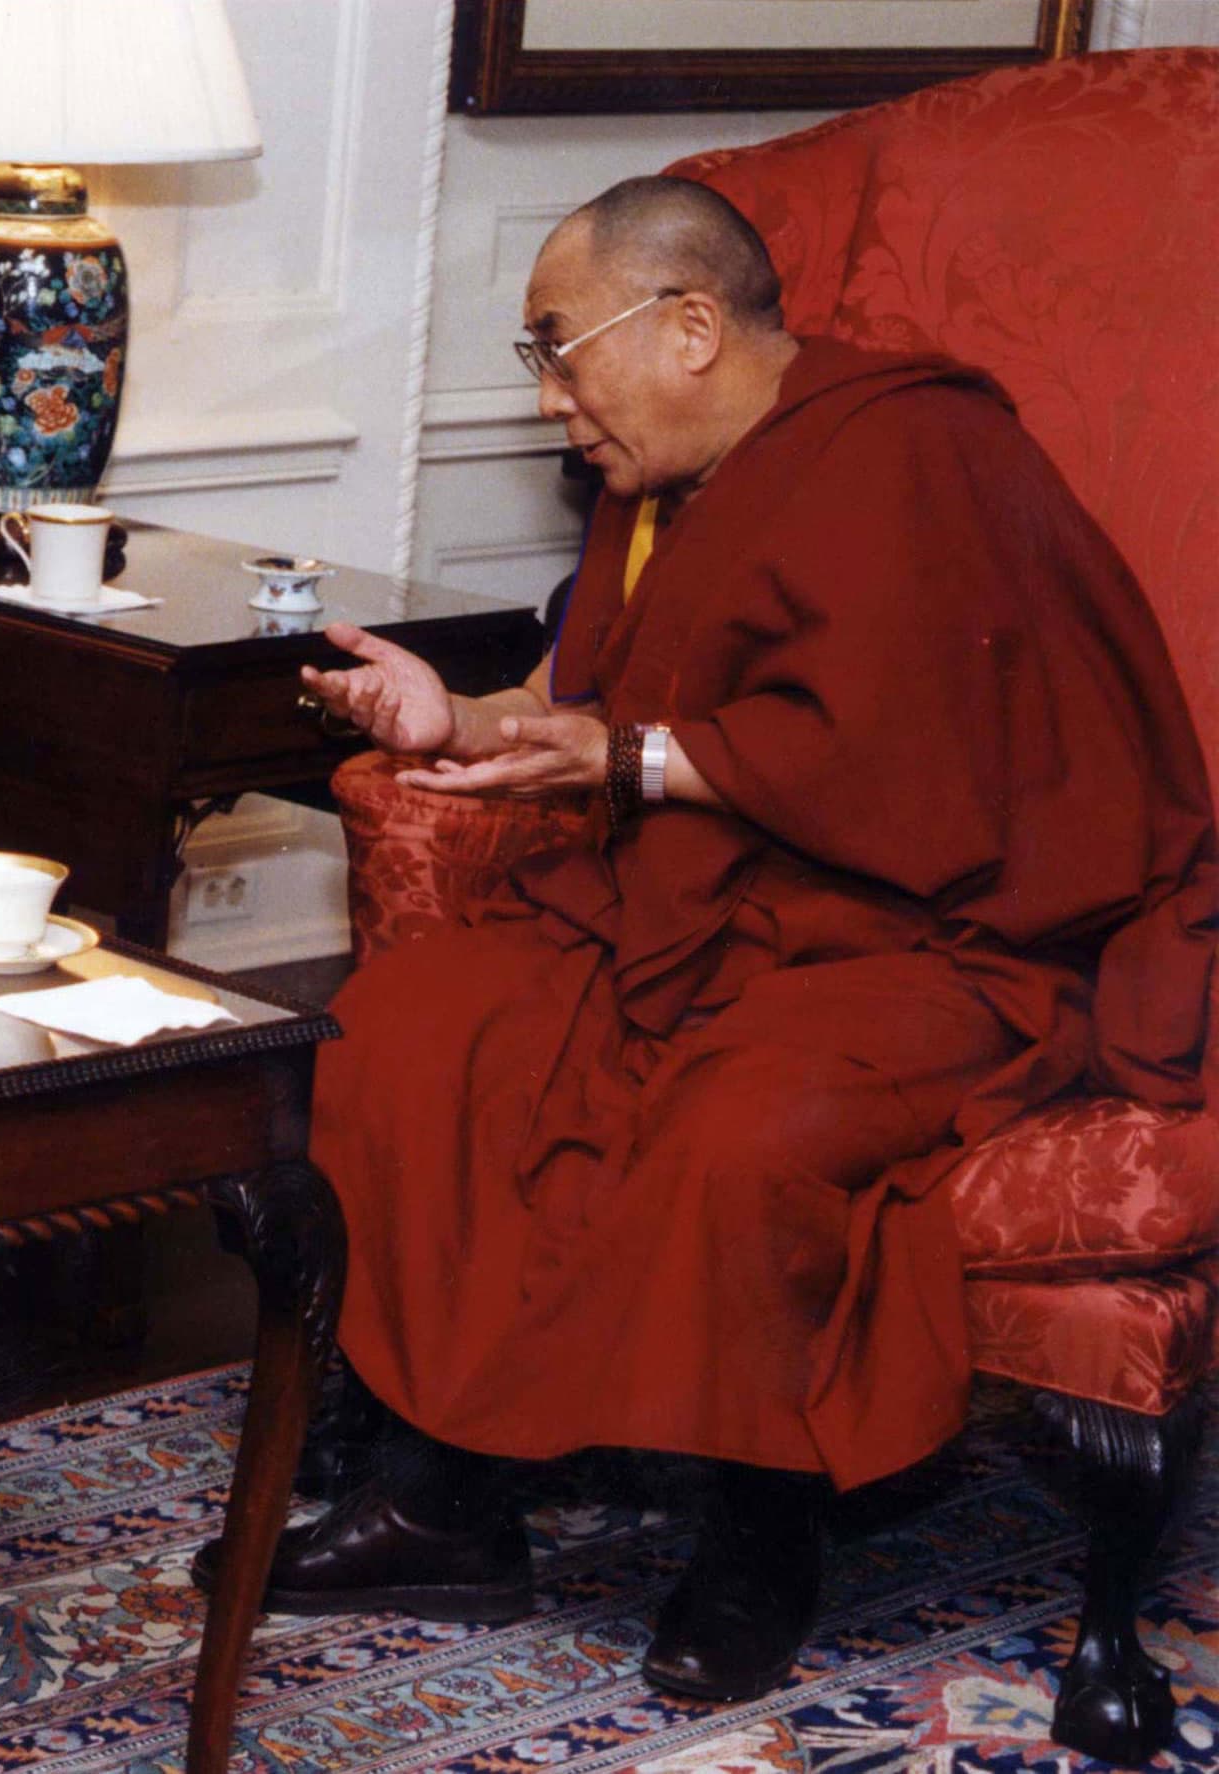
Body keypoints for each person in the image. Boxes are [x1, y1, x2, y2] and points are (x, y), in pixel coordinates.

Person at [209, 177, 1215, 1703]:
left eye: (558, 351)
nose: (551, 406)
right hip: (695, 896)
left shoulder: (916, 453)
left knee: (739, 1129)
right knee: (415, 1030)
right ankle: (450, 1492)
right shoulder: (666, 480)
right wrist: (459, 717)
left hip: (933, 932)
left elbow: (916, 769)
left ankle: (761, 1531)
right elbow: (628, 726)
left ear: (688, 326)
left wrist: (624, 763)